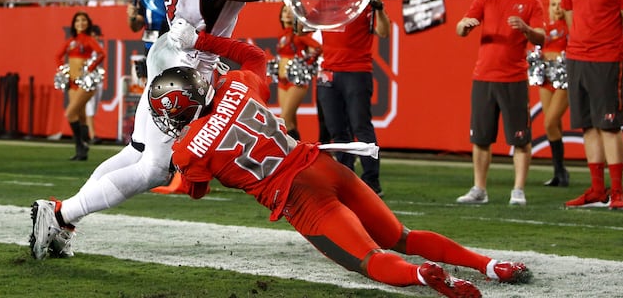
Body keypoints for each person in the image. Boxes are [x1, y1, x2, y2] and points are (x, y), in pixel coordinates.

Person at [29, 0, 332, 259]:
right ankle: (60, 212)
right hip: (188, 71)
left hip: (170, 49)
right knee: (155, 168)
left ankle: (63, 220)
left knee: (137, 153)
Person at [151, 28, 531, 297]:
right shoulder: (237, 85)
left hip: (298, 196)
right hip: (322, 165)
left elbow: (196, 188)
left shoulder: (190, 150)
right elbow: (255, 56)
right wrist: (200, 40)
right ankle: (490, 265)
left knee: (369, 260)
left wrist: (175, 160)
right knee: (402, 236)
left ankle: (420, 275)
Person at [455, 0, 545, 206]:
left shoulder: (532, 3)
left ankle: (518, 190)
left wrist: (526, 29)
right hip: (484, 76)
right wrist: (467, 25)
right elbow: (460, 28)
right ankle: (479, 189)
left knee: (520, 139)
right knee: (481, 138)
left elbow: (541, 37)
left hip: (514, 78)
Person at [561, 0, 623, 210]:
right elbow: (568, 13)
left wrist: (602, 37)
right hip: (576, 57)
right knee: (588, 126)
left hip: (606, 58)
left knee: (609, 125)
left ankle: (617, 192)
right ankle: (596, 189)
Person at [317, 0, 390, 196]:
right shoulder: (324, 0)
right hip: (329, 71)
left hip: (357, 70)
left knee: (361, 126)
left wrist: (378, 7)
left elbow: (383, 32)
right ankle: (345, 179)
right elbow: (301, 23)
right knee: (337, 130)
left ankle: (372, 181)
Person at [54, 11, 105, 161]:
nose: (80, 23)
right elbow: (57, 56)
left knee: (70, 113)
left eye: (83, 20)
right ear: (74, 24)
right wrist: (63, 71)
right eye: (77, 21)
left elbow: (101, 53)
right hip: (72, 82)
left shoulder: (89, 39)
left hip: (85, 83)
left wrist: (89, 69)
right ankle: (82, 149)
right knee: (80, 116)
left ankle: (80, 145)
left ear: (88, 23)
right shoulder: (71, 41)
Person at [536, 0, 570, 187]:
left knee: (550, 123)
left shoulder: (570, 26)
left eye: (560, 4)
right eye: (553, 4)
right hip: (546, 77)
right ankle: (559, 172)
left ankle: (561, 171)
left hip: (564, 77)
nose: (557, 8)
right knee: (552, 125)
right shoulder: (544, 27)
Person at [275, 4, 322, 140]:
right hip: (282, 80)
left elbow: (318, 48)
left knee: (284, 120)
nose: (288, 14)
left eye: (291, 12)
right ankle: (299, 153)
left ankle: (293, 154)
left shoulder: (298, 35)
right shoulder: (282, 34)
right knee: (290, 121)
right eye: (285, 11)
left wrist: (305, 63)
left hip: (295, 80)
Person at [84, 25, 104, 145]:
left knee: (93, 107)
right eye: (93, 35)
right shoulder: (85, 47)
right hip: (87, 79)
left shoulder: (99, 46)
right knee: (89, 107)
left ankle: (87, 134)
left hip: (97, 78)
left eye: (97, 35)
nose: (96, 37)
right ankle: (92, 134)